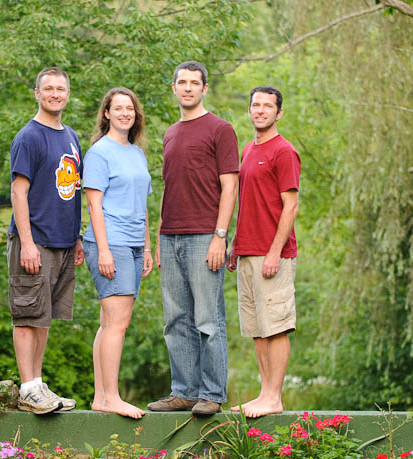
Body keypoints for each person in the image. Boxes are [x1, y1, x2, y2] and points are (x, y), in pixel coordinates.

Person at [148, 61, 239, 415]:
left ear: (204, 89)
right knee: (176, 319)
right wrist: (158, 238)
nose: (187, 88)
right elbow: (169, 189)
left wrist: (220, 236)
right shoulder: (170, 133)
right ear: (174, 88)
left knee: (208, 319)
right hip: (170, 239)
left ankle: (212, 394)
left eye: (194, 83)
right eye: (181, 82)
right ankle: (184, 391)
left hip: (205, 236)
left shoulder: (220, 129)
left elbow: (230, 186)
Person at [7, 67, 84, 415]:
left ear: (68, 94)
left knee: (44, 317)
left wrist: (77, 238)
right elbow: (18, 193)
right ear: (36, 93)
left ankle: (38, 385)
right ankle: (27, 387)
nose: (55, 93)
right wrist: (27, 243)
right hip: (35, 240)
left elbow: (72, 192)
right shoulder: (29, 136)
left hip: (63, 242)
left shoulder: (70, 136)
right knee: (27, 314)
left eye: (61, 88)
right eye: (48, 88)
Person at [226, 86, 301, 418]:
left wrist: (274, 252)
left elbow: (291, 206)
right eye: (255, 104)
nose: (260, 110)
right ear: (250, 110)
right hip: (246, 251)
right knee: (257, 328)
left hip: (273, 255)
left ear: (278, 113)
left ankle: (274, 397)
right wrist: (234, 245)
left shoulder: (283, 151)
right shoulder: (246, 150)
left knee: (276, 326)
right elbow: (247, 204)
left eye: (268, 106)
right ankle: (263, 394)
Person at [83, 87, 153, 419]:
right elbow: (94, 206)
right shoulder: (99, 152)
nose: (125, 113)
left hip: (134, 244)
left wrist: (148, 245)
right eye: (118, 108)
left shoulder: (137, 153)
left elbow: (143, 204)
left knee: (109, 322)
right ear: (107, 113)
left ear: (135, 115)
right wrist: (106, 252)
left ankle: (101, 396)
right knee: (118, 323)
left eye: (130, 108)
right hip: (110, 243)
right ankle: (111, 396)